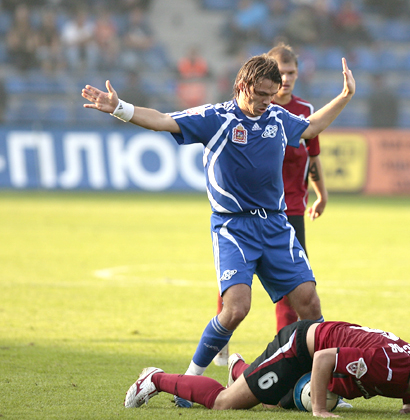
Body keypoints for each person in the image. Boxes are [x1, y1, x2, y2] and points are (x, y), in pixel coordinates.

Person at [82, 52, 355, 403]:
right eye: (261, 94)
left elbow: (312, 127)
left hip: (276, 225)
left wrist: (345, 95)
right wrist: (120, 108)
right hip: (233, 227)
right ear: (242, 86)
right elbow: (163, 120)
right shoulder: (216, 118)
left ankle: (318, 385)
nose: (267, 101)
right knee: (236, 308)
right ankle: (189, 380)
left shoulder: (277, 117)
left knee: (310, 304)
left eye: (271, 95)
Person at [213, 42, 329, 365]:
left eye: (291, 73)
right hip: (253, 209)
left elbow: (313, 154)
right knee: (237, 281)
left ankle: (286, 349)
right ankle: (221, 336)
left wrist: (321, 193)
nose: (286, 79)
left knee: (295, 289)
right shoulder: (252, 111)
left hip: (292, 209)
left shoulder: (303, 111)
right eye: (281, 73)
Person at [124, 320, 410, 418]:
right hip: (300, 347)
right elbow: (324, 359)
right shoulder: (384, 364)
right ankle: (154, 379)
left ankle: (240, 369)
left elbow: (403, 378)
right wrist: (318, 411)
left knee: (271, 401)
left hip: (317, 353)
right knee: (225, 403)